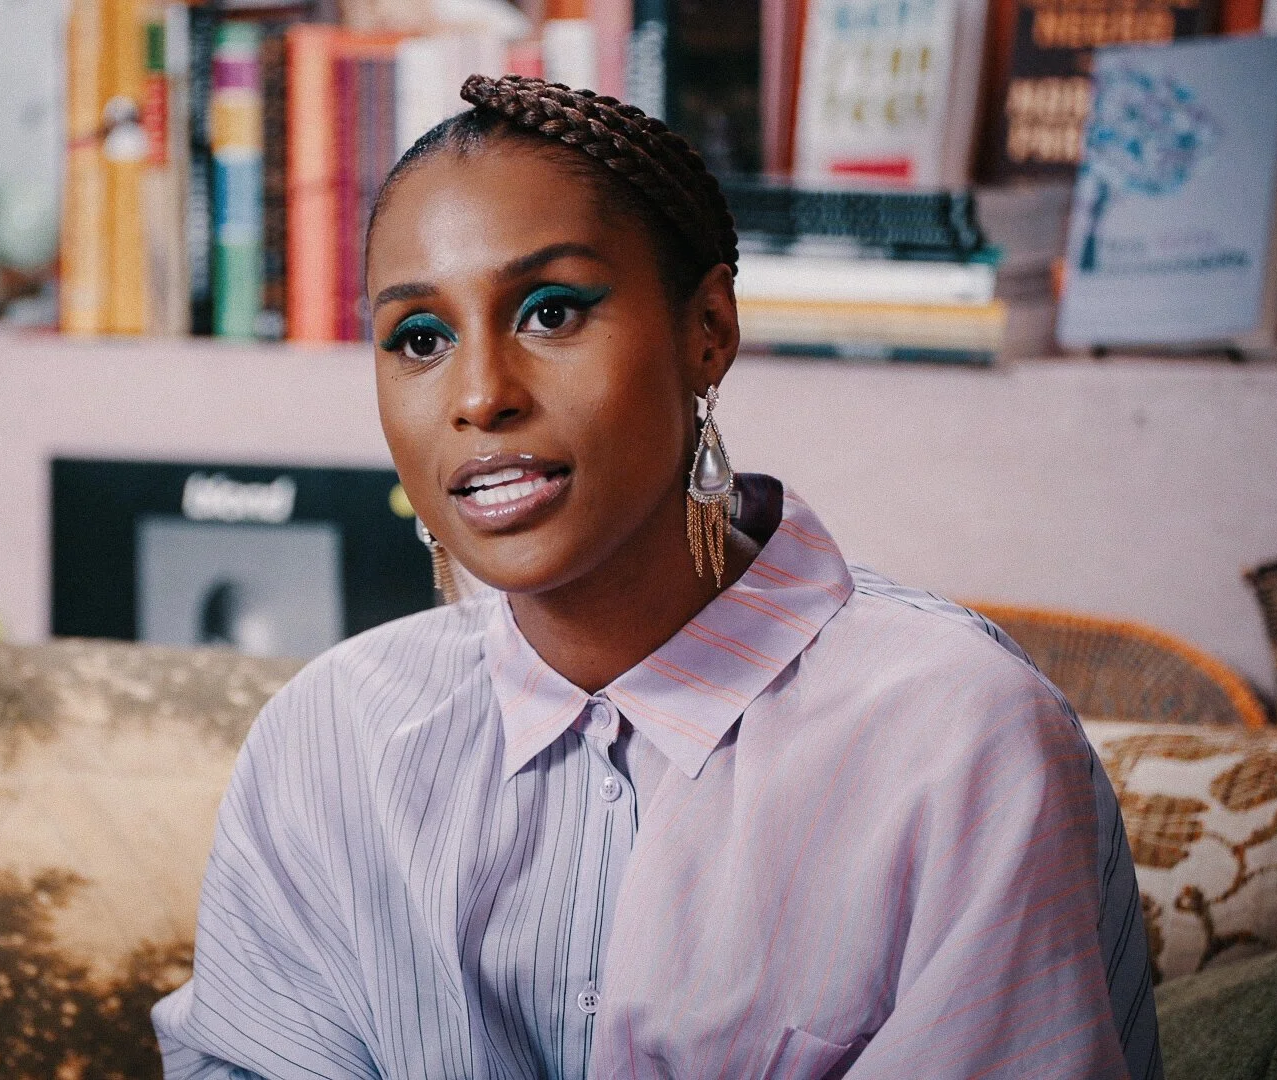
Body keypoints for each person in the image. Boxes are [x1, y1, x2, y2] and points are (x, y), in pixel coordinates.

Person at [152, 74, 1159, 1080]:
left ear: (707, 330)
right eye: (420, 338)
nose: (479, 396)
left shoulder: (959, 739)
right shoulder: (331, 741)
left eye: (551, 313)